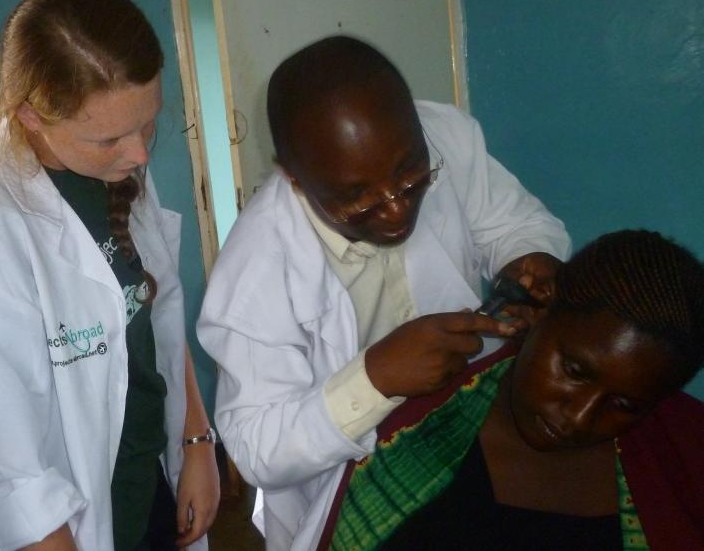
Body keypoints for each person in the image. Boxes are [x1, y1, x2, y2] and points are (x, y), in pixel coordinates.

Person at [196, 35, 572, 549]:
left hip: (470, 430)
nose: (397, 212)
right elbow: (257, 444)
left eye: (413, 180)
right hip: (351, 490)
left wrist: (530, 259)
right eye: (357, 202)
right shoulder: (256, 269)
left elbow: (513, 222)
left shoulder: (445, 136)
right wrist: (375, 378)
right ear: (295, 179)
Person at [0, 0, 219, 551]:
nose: (140, 154)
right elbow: (9, 482)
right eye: (109, 139)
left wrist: (197, 442)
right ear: (31, 114)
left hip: (147, 485)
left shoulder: (115, 172)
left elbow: (159, 319)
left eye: (147, 122)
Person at [320, 229, 704, 550]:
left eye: (625, 405)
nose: (579, 417)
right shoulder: (408, 436)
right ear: (538, 312)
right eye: (574, 370)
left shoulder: (681, 460)